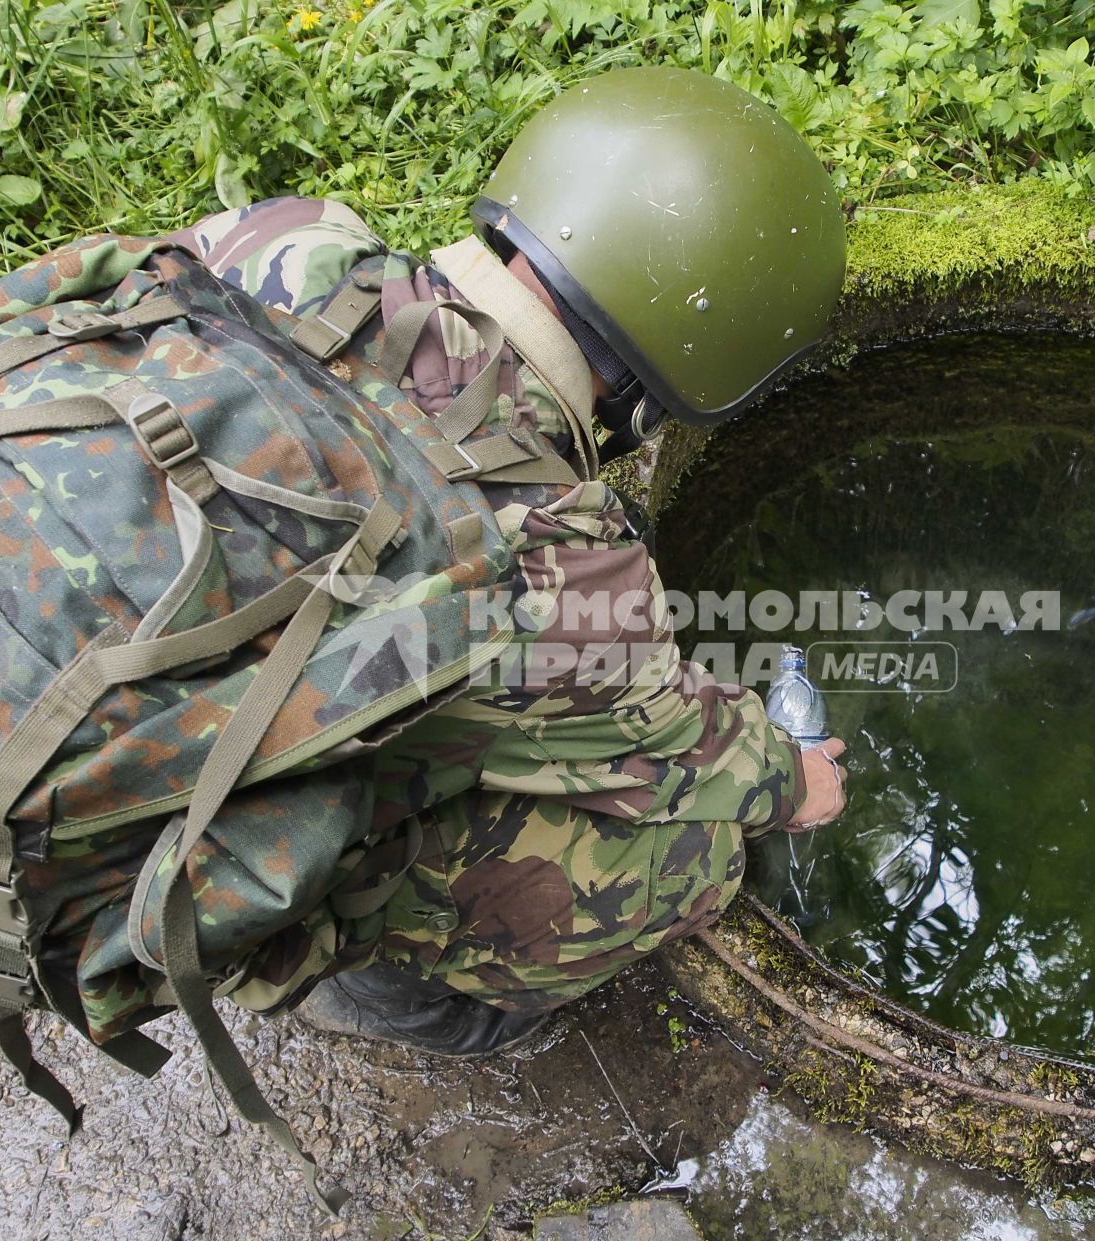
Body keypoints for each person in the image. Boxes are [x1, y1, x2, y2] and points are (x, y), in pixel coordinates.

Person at [171, 66, 852, 1057]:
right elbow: (682, 748)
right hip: (138, 831)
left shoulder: (288, 240)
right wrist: (796, 782)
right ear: (666, 386)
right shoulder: (559, 567)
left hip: (33, 645)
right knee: (692, 856)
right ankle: (385, 992)